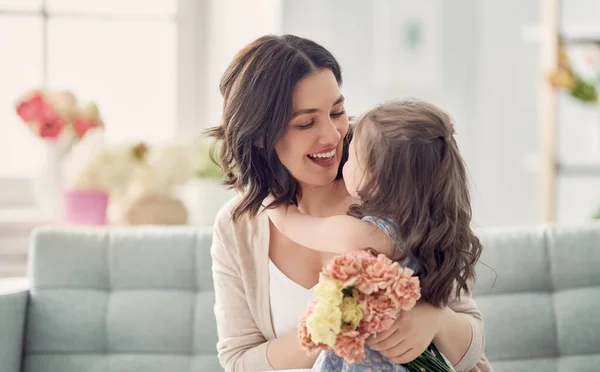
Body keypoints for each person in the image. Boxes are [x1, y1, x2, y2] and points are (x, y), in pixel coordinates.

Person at [207, 34, 492, 372]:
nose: (331, 135)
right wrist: (330, 329)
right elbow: (239, 360)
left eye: (337, 111)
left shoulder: (394, 188)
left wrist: (434, 318)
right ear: (259, 133)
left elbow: (472, 346)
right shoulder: (239, 226)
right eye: (306, 122)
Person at [266, 98, 485, 371]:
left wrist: (266, 193)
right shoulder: (425, 231)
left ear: (375, 178)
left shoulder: (363, 234)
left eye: (352, 157)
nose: (343, 159)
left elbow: (291, 223)